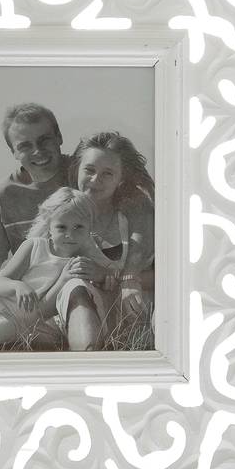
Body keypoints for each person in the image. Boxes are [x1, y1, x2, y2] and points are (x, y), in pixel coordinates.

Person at [0, 188, 113, 350]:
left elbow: (44, 311)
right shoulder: (34, 246)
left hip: (23, 320)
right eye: (62, 227)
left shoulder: (83, 261)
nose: (70, 235)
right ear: (49, 226)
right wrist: (17, 285)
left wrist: (69, 279)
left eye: (78, 227)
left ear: (90, 227)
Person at [63, 131, 155, 350]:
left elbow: (167, 277)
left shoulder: (137, 213)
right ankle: (87, 361)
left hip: (134, 312)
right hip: (83, 310)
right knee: (76, 287)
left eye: (107, 173)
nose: (95, 180)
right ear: (76, 169)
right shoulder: (59, 214)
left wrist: (118, 277)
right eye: (89, 170)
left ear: (121, 178)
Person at [0, 103, 69, 281]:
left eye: (44, 140)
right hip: (31, 292)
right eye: (25, 146)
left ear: (59, 137)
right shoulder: (1, 197)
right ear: (13, 152)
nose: (37, 151)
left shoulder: (88, 177)